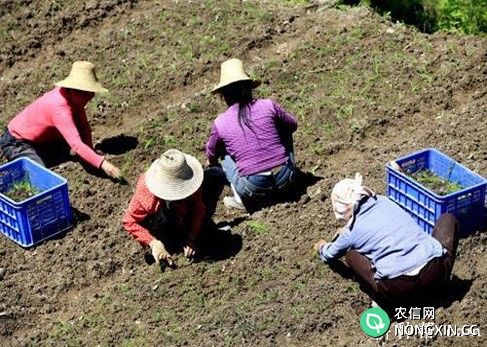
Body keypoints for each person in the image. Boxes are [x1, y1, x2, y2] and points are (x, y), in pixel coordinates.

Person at [314, 173, 459, 306]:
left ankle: (385, 302)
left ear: (342, 209)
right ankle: (442, 285)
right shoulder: (384, 201)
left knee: (351, 254)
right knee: (448, 219)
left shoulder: (351, 232)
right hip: (435, 270)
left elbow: (329, 254)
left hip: (399, 287)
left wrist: (321, 246)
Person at [0, 61, 121, 179]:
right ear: (76, 91)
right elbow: (76, 144)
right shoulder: (59, 107)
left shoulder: (73, 99)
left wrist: (91, 153)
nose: (91, 97)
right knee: (39, 176)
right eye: (88, 93)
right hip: (17, 142)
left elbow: (84, 129)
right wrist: (103, 164)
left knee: (73, 152)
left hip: (43, 140)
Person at [206, 58, 298, 210]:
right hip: (286, 176)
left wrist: (212, 162)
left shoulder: (221, 122)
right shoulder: (268, 105)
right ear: (249, 88)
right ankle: (285, 184)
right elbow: (292, 125)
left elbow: (211, 153)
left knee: (224, 154)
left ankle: (241, 199)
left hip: (253, 186)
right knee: (284, 131)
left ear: (224, 96)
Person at [122, 149, 226, 265]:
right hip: (161, 224)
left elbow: (199, 209)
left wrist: (191, 238)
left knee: (216, 174)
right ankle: (171, 240)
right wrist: (153, 242)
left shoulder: (190, 182)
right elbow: (129, 221)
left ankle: (199, 230)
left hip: (184, 216)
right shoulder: (147, 192)